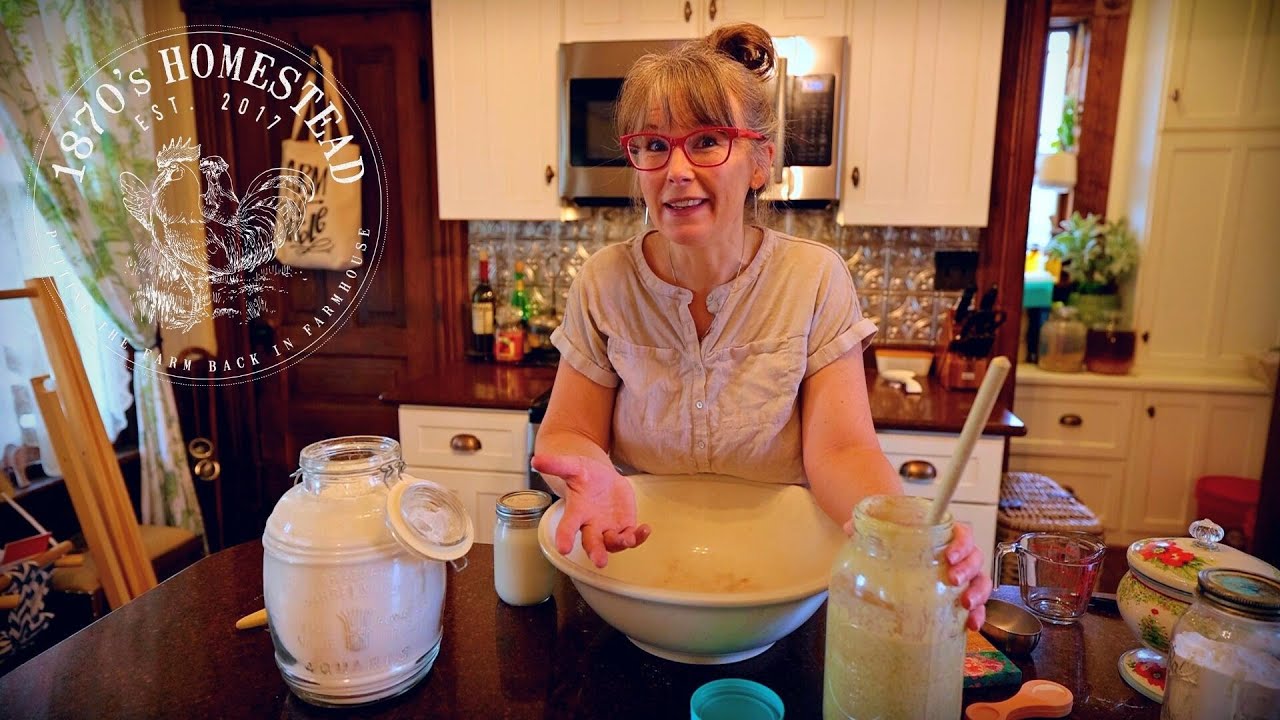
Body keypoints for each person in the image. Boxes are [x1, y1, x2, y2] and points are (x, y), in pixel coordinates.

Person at [532, 23, 991, 630]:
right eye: (653, 145)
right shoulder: (604, 282)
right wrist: (584, 467)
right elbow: (567, 433)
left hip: (778, 586)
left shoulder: (815, 279)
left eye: (707, 141)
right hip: (637, 572)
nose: (676, 169)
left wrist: (899, 532)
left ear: (759, 163)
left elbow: (842, 450)